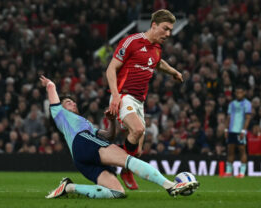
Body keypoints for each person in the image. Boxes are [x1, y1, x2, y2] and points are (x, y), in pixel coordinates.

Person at [39, 76, 198, 199]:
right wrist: (50, 84)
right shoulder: (60, 115)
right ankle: (170, 186)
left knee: (116, 192)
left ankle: (68, 188)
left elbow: (109, 136)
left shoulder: (85, 124)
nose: (72, 103)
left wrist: (112, 120)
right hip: (83, 143)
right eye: (68, 102)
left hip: (80, 157)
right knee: (127, 160)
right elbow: (52, 91)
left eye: (73, 102)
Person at [106, 9, 183, 189]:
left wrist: (174, 72)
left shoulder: (156, 48)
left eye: (170, 30)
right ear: (154, 25)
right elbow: (111, 69)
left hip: (139, 101)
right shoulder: (131, 41)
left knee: (138, 151)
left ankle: (108, 156)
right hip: (123, 95)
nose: (168, 34)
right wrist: (116, 96)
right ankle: (125, 170)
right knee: (138, 129)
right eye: (165, 29)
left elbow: (157, 62)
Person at [223, 85, 252, 178]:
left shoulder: (247, 104)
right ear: (235, 93)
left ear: (244, 93)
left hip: (240, 131)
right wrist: (226, 129)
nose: (239, 94)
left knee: (242, 151)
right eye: (237, 92)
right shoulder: (231, 104)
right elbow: (228, 117)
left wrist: (243, 130)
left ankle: (242, 172)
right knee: (230, 151)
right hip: (231, 131)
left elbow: (248, 118)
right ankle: (228, 172)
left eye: (241, 92)